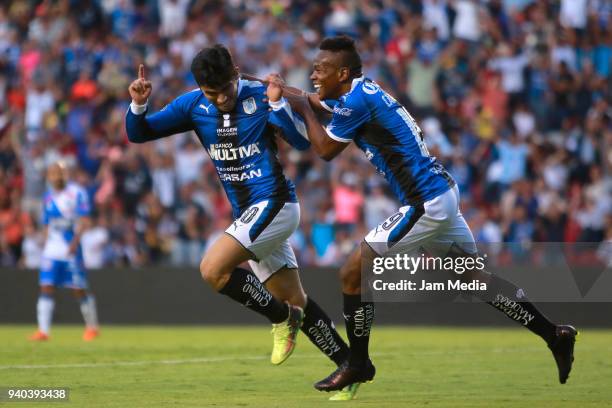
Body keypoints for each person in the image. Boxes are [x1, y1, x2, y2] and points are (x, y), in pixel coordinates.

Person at [267, 35, 578, 392]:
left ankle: (357, 363)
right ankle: (554, 335)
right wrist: (273, 88)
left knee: (352, 272)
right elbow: (310, 98)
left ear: (343, 72)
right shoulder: (362, 92)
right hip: (441, 193)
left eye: (321, 68)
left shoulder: (354, 102)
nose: (314, 73)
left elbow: (323, 149)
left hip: (425, 202)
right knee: (474, 280)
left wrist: (300, 108)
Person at [125, 45, 352, 381]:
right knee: (294, 298)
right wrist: (139, 103)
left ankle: (281, 318)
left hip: (275, 203)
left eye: (225, 90)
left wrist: (276, 104)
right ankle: (351, 365)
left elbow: (302, 144)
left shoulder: (262, 95)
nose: (220, 99)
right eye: (211, 93)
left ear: (236, 74)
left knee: (213, 269)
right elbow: (138, 133)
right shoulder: (192, 104)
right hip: (250, 214)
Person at [29, 162, 100, 341]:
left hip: (70, 247)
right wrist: (44, 242)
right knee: (46, 285)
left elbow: (85, 220)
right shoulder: (47, 197)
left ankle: (92, 327)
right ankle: (43, 331)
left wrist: (75, 242)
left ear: (64, 175)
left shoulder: (77, 193)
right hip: (52, 249)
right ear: (49, 177)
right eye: (52, 174)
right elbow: (46, 223)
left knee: (78, 289)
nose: (56, 177)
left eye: (58, 173)